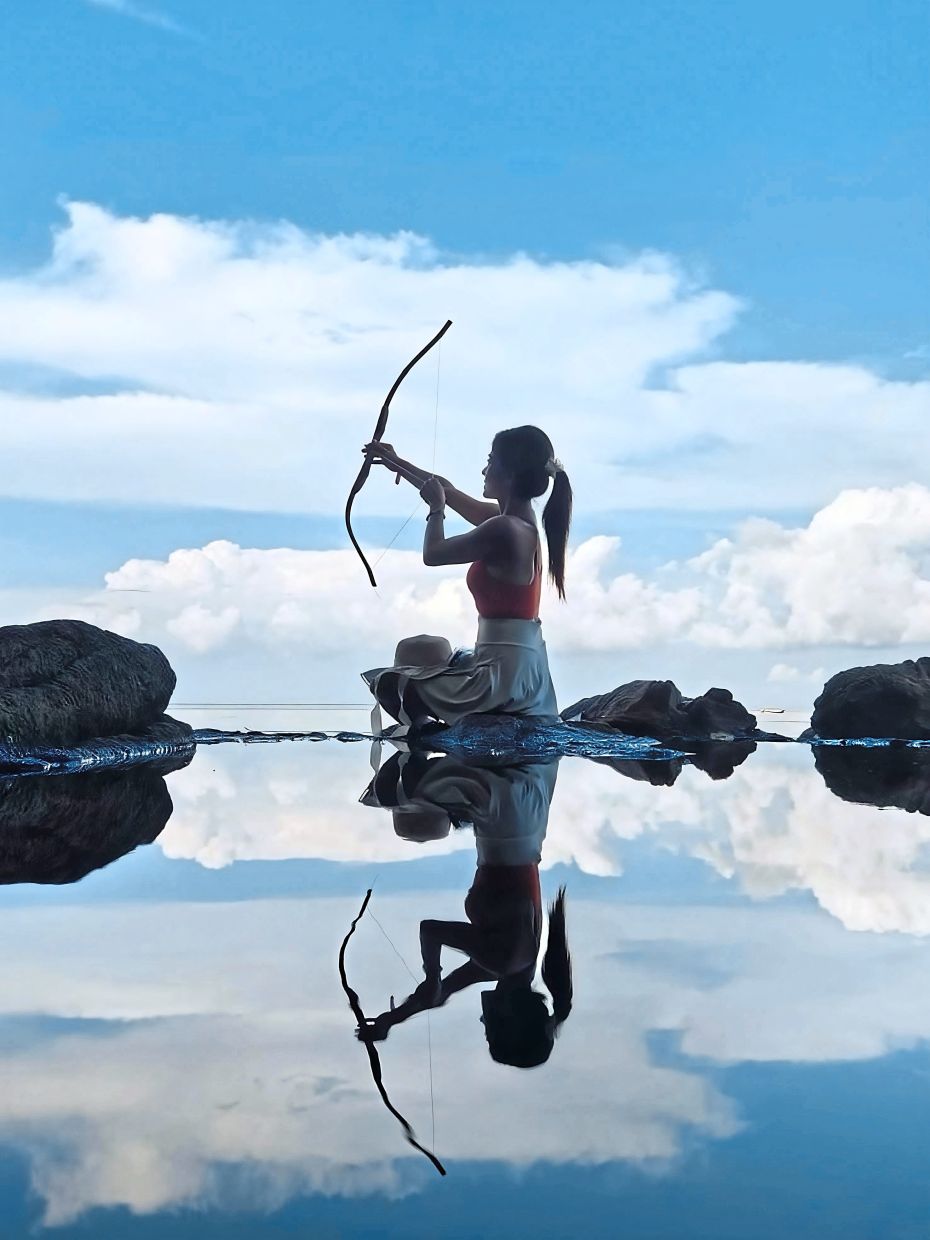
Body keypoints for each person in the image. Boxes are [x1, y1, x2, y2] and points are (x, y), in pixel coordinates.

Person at [357, 751, 572, 1068]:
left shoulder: (512, 966)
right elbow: (430, 930)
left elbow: (442, 993)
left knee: (422, 813)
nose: (483, 1024)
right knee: (392, 797)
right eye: (490, 1032)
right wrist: (432, 975)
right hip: (503, 807)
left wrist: (394, 1019)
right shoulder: (501, 959)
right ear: (509, 1020)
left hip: (522, 818)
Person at [360, 425, 572, 728]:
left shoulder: (504, 529)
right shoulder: (516, 523)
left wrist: (436, 509)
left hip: (501, 682)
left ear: (509, 474)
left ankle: (424, 737)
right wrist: (397, 463)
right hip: (521, 672)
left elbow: (433, 554)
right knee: (423, 648)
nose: (484, 470)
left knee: (391, 681)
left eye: (491, 461)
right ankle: (431, 733)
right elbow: (447, 489)